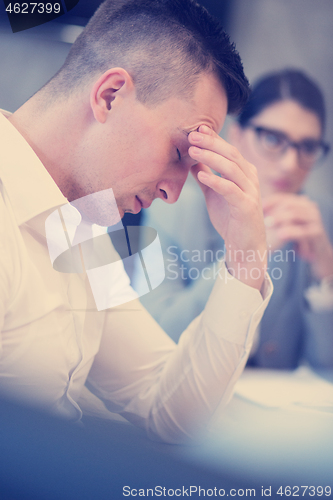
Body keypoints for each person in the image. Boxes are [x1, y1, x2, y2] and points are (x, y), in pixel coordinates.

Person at [0, 0, 272, 443]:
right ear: (110, 95)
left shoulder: (81, 228)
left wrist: (246, 259)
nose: (173, 193)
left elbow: (168, 411)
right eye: (181, 153)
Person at [137, 69, 333, 370]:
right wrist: (248, 253)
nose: (290, 164)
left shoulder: (320, 223)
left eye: (306, 147)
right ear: (236, 136)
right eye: (272, 138)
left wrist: (326, 276)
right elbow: (153, 338)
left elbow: (326, 364)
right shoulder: (172, 209)